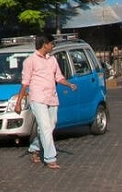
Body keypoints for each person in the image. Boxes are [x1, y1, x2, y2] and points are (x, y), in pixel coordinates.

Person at [15, 34, 77, 170]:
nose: (53, 46)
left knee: (50, 125)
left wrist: (69, 84)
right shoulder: (30, 61)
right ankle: (50, 158)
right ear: (45, 44)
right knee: (45, 128)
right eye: (51, 44)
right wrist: (18, 102)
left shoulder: (53, 60)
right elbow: (25, 83)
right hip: (37, 98)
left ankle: (34, 147)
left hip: (52, 97)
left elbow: (58, 77)